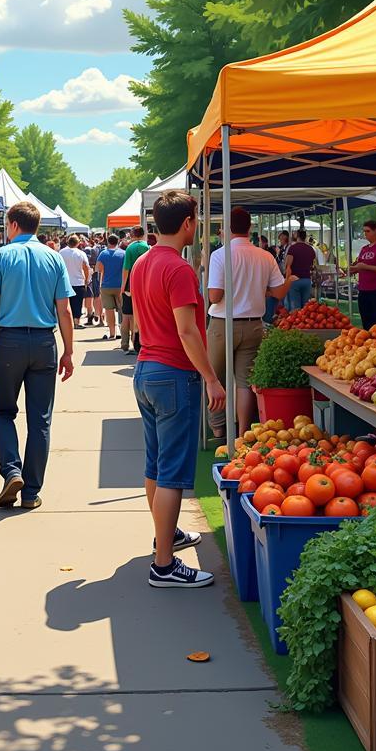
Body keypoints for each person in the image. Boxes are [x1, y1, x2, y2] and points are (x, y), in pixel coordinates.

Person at [131, 191, 225, 590]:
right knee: (170, 471)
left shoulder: (141, 261)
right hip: (172, 373)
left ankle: (164, 540)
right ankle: (164, 564)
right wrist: (211, 377)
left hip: (147, 370)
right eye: (196, 219)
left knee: (155, 464)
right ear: (188, 223)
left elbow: (137, 317)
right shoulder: (179, 269)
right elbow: (187, 331)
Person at [0, 201, 75, 510]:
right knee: (40, 420)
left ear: (14, 225)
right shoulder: (53, 257)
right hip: (45, 343)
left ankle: (11, 469)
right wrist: (69, 351)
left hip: (9, 341)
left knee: (3, 412)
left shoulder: (1, 256)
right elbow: (65, 309)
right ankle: (31, 491)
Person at [207, 208, 294, 441]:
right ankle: (243, 432)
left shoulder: (220, 255)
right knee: (245, 382)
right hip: (254, 324)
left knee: (216, 377)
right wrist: (289, 279)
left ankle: (218, 429)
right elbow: (277, 292)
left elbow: (214, 296)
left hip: (222, 324)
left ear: (226, 228)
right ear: (250, 228)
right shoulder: (265, 256)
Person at [120, 225, 149, 355]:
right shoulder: (147, 247)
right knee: (142, 315)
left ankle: (125, 342)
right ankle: (138, 342)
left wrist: (123, 287)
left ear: (132, 235)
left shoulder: (130, 248)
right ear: (143, 234)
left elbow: (126, 269)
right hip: (145, 286)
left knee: (127, 315)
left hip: (130, 286)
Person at [96, 234, 125, 340]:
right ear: (118, 242)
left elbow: (98, 269)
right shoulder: (123, 253)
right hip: (121, 285)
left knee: (109, 310)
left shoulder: (103, 254)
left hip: (106, 285)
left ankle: (112, 333)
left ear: (108, 242)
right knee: (122, 310)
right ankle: (124, 332)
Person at [60, 235, 91, 328]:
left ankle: (66, 323)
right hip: (78, 282)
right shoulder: (81, 253)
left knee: (66, 304)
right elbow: (85, 267)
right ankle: (76, 322)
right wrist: (86, 280)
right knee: (78, 304)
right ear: (78, 243)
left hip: (65, 282)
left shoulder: (61, 252)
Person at [284, 229, 316, 311]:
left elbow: (288, 265)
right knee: (305, 308)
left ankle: (295, 323)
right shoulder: (311, 249)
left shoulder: (293, 248)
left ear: (297, 236)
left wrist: (286, 279)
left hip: (294, 280)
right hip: (307, 280)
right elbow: (312, 265)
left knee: (295, 309)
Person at [84, 236, 102, 325]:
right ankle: (99, 316)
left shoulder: (89, 250)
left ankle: (93, 315)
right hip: (96, 273)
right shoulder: (98, 250)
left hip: (92, 274)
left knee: (93, 296)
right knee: (97, 296)